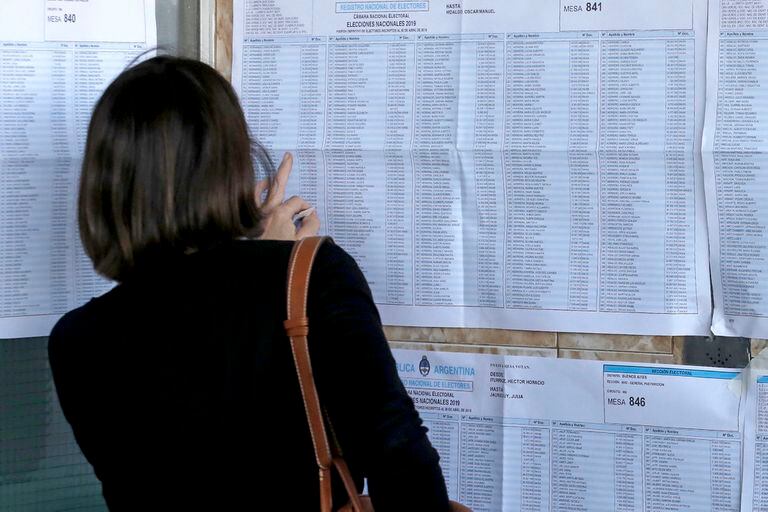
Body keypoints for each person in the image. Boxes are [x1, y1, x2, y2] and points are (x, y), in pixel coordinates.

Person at [48, 56, 450, 510]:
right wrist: (275, 263)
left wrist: (259, 259)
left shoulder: (76, 341)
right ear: (230, 165)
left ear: (105, 185)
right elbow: (404, 466)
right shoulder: (315, 276)